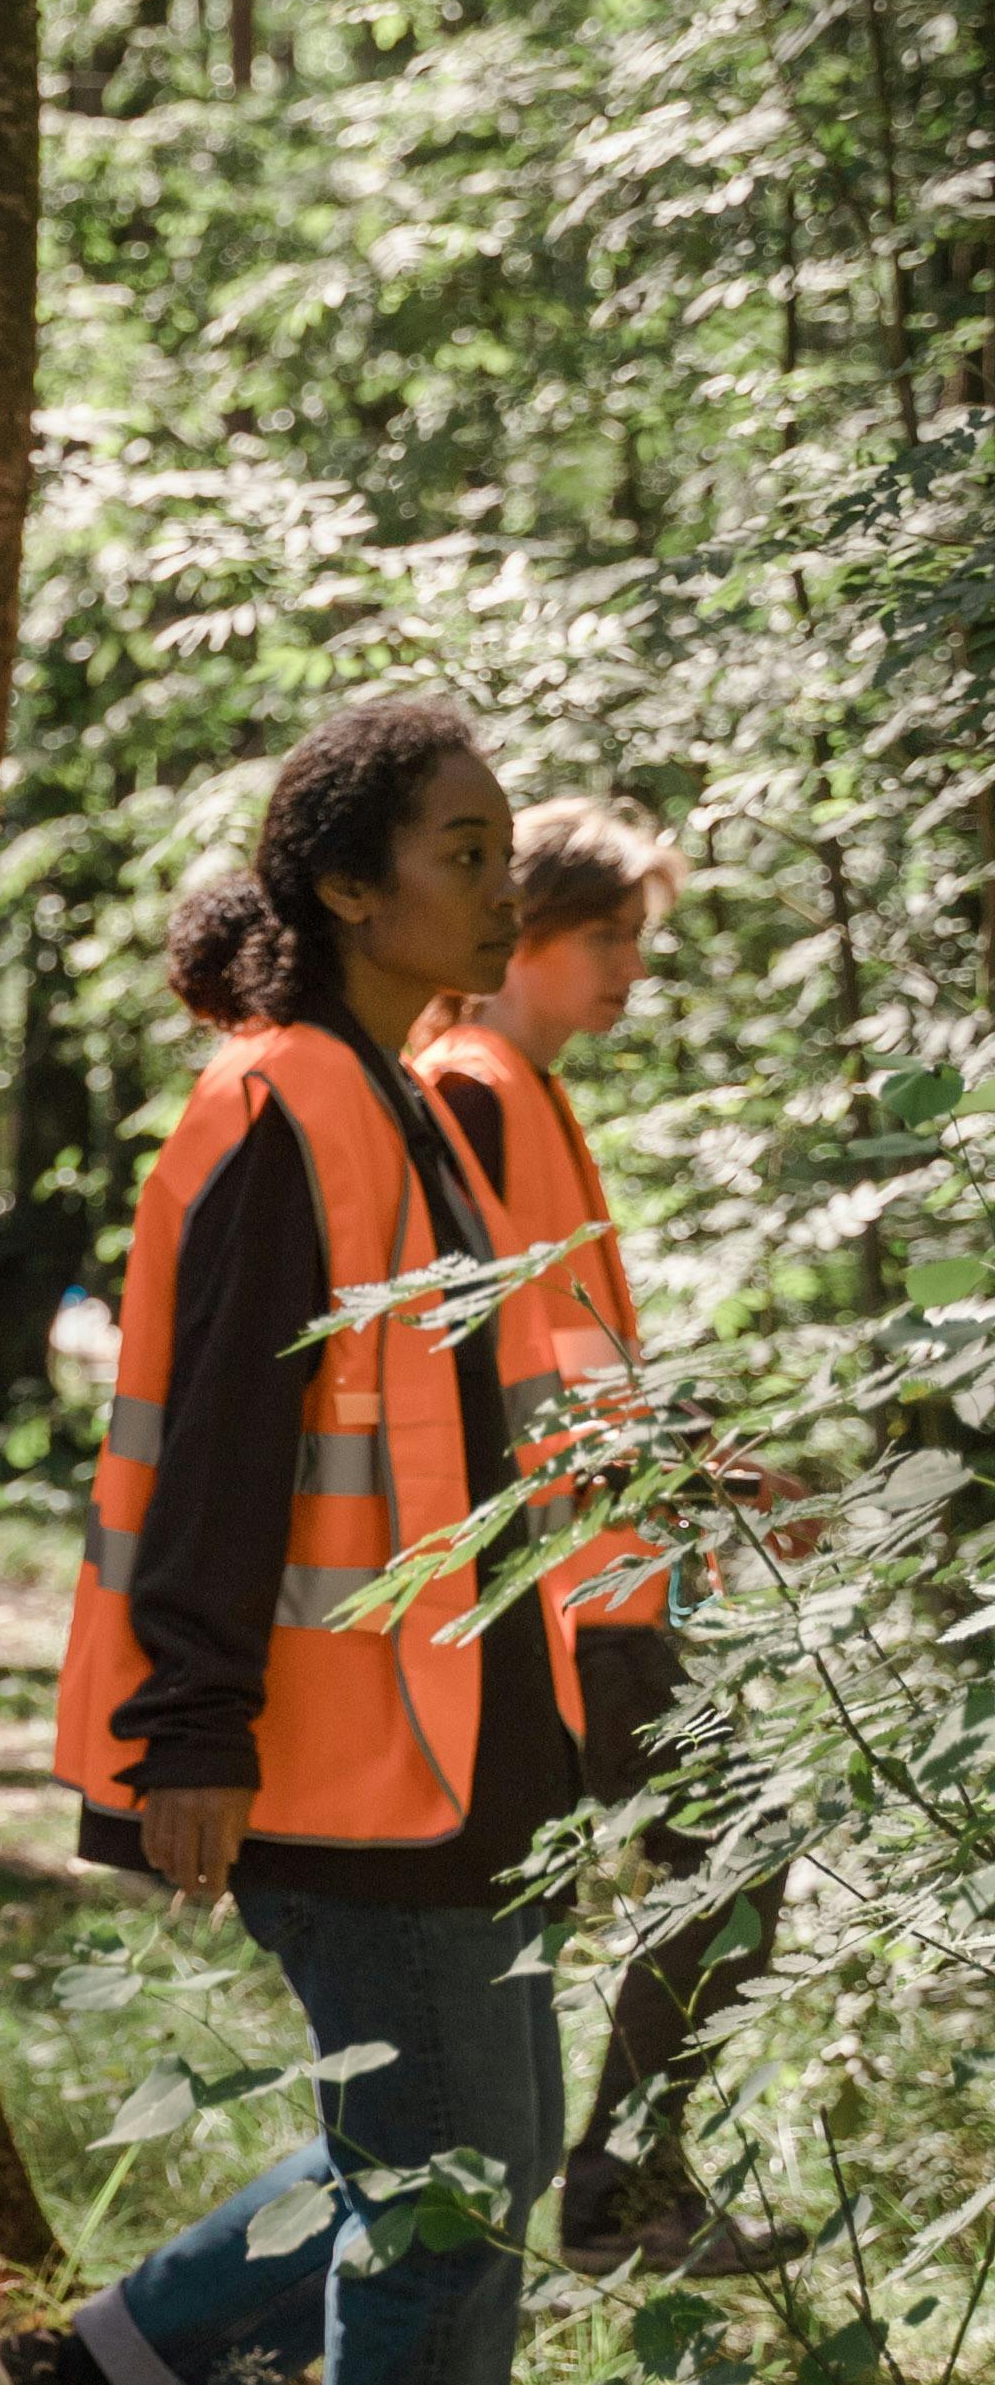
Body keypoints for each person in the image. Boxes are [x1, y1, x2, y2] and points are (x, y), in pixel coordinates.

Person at [0, 700, 607, 2385]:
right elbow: (219, 1452)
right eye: (462, 844)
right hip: (333, 1762)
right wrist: (188, 1738)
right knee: (446, 2190)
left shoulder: (403, 1096)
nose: (498, 879)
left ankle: (96, 2381)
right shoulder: (275, 1101)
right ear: (344, 884)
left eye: (504, 844)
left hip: (459, 1748)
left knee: (460, 2152)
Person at [416, 798, 794, 2273]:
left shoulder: (524, 1085)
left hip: (601, 1576)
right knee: (733, 1855)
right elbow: (496, 1353)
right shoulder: (476, 1087)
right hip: (565, 1597)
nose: (634, 965)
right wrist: (677, 1464)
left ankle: (609, 2188)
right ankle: (608, 2197)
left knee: (712, 1861)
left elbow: (563, 1342)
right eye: (613, 936)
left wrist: (692, 1458)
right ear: (529, 933)